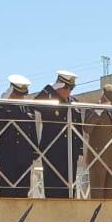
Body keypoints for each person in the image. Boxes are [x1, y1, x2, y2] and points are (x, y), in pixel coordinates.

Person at [36, 71, 81, 199]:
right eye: (67, 87)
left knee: (70, 187)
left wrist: (80, 148)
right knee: (53, 186)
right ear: (59, 86)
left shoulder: (74, 102)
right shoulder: (49, 98)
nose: (69, 91)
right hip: (52, 149)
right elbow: (35, 105)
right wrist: (50, 88)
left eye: (72, 88)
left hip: (71, 149)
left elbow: (79, 126)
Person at [0, 75, 40, 197]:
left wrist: (35, 151)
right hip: (6, 155)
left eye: (22, 94)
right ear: (11, 91)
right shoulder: (1, 106)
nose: (21, 97)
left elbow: (32, 130)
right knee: (7, 192)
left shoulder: (27, 107)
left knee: (23, 192)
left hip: (24, 155)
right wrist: (4, 100)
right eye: (18, 94)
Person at [84, 84, 112, 198]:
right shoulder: (92, 109)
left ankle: (110, 216)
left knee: (111, 195)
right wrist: (99, 110)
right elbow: (87, 128)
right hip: (98, 157)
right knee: (97, 194)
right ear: (105, 98)